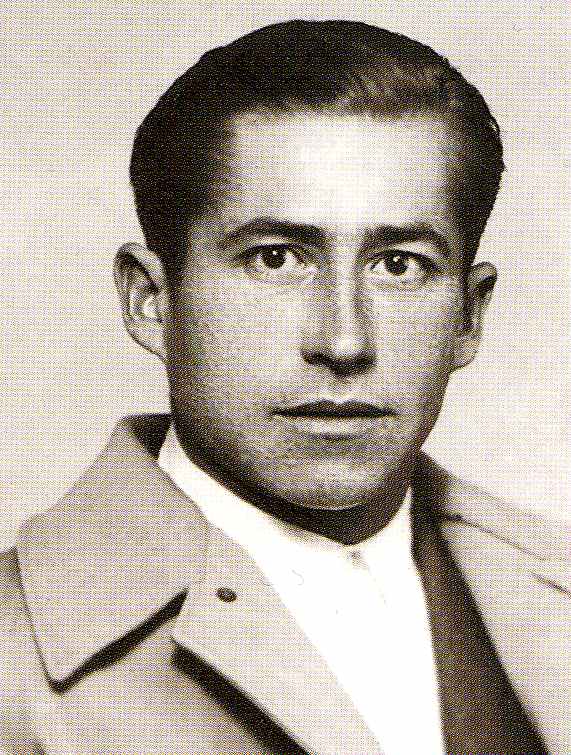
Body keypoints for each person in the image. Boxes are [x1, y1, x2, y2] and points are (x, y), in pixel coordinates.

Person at [1, 20, 568, 755]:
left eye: (398, 265)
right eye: (275, 258)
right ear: (151, 300)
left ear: (468, 315)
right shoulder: (14, 660)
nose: (343, 341)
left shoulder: (549, 599)